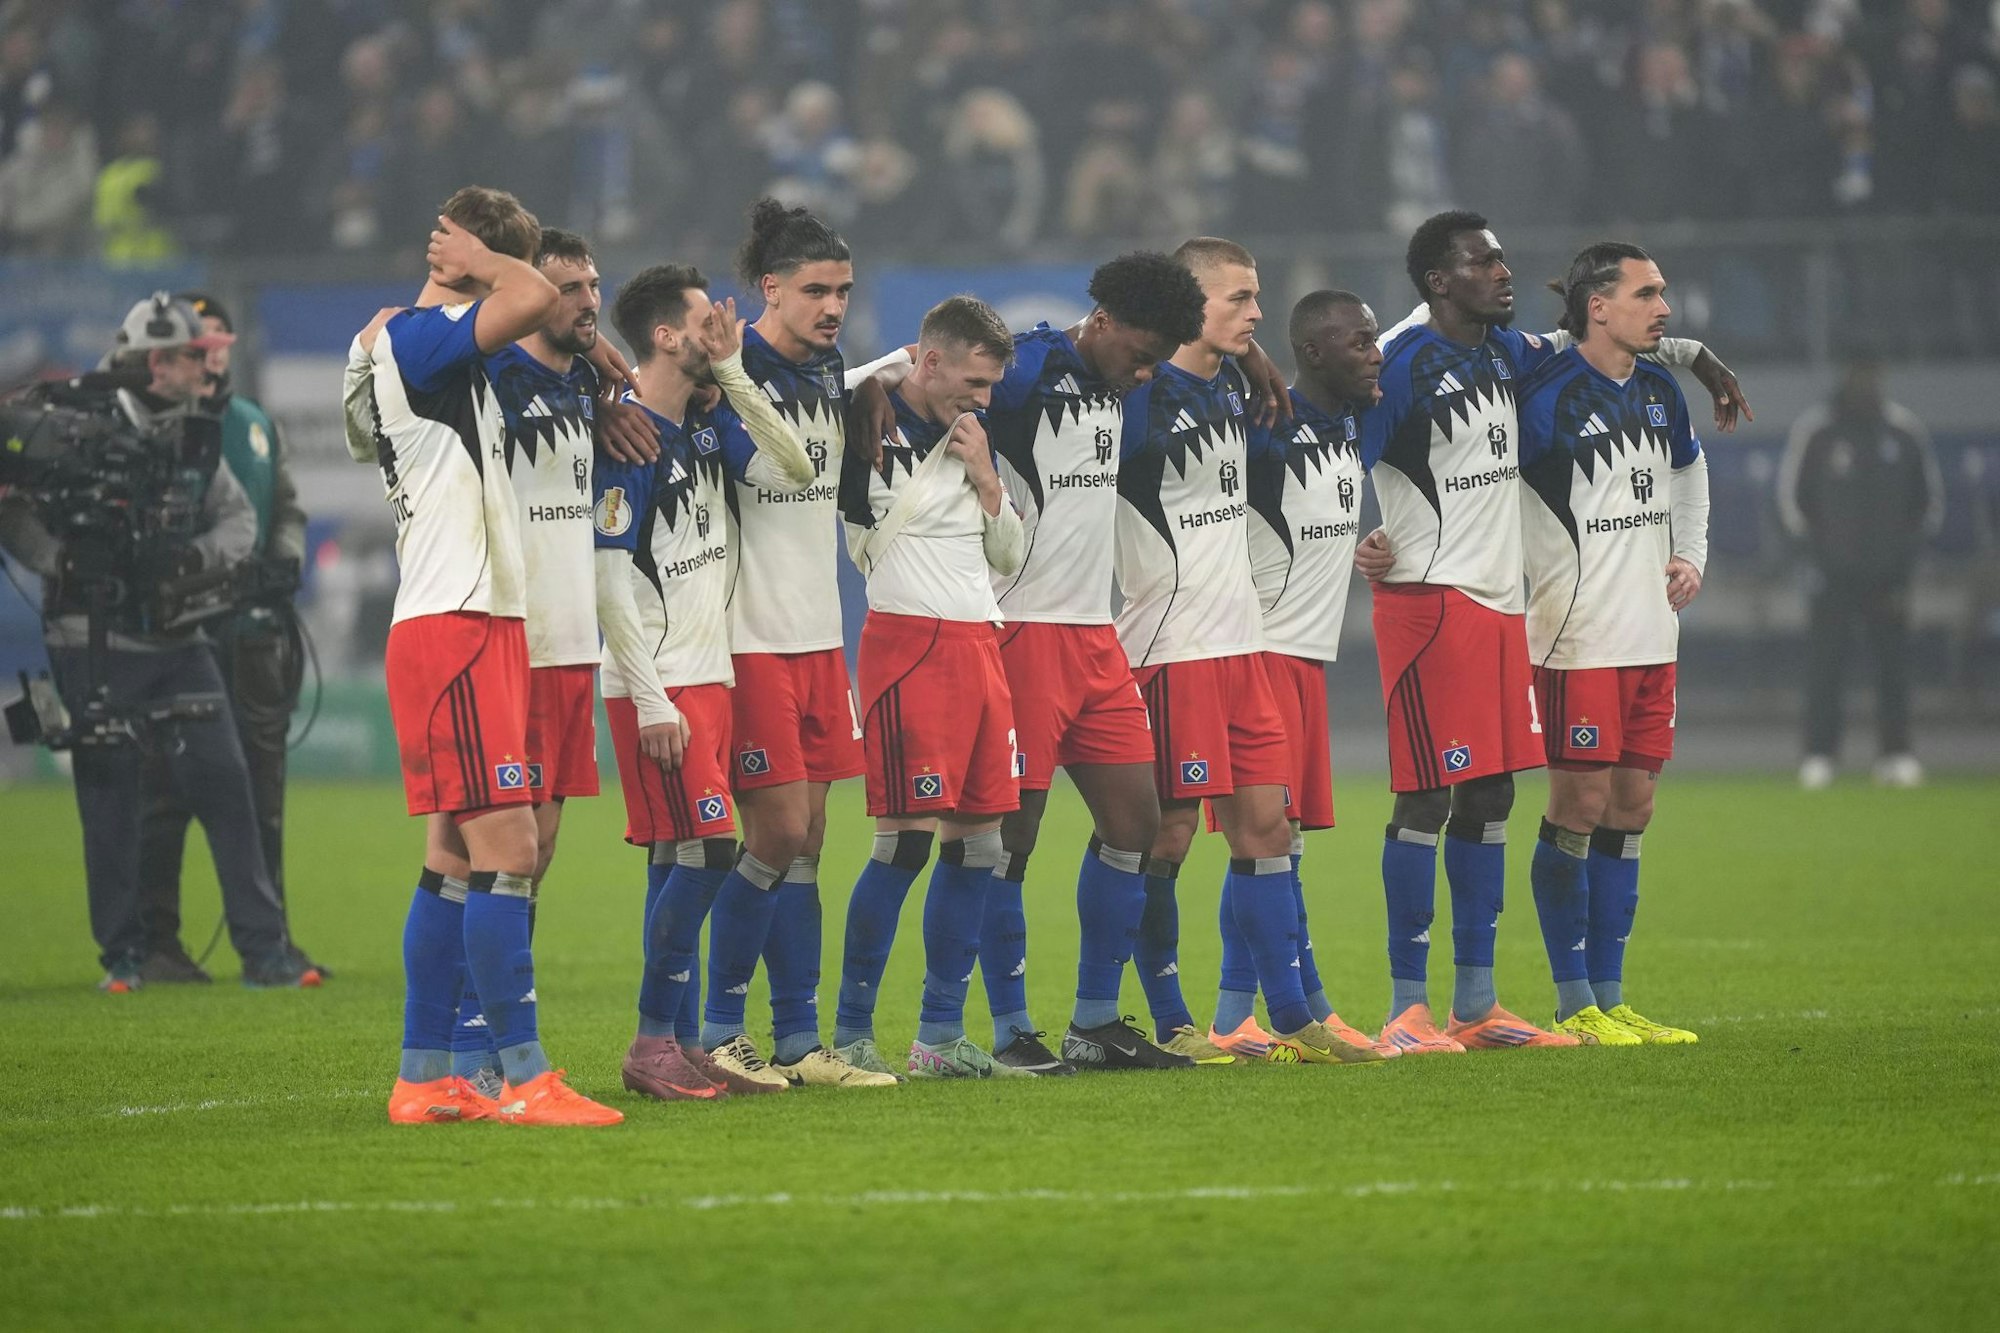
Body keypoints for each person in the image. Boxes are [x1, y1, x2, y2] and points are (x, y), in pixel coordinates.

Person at [1357, 210, 1744, 1054]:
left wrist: (1696, 356)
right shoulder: (1402, 361)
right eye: (1483, 261)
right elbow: (1334, 424)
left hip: (1500, 605)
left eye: (1500, 257)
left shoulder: (1511, 355)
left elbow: (1593, 338)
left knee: (1491, 797)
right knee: (1425, 795)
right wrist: (1358, 533)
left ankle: (1478, 1003)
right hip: (1432, 602)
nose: (1504, 271)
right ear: (1438, 281)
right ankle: (1404, 1009)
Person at [349, 186, 620, 1126]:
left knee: (455, 858)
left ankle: (426, 1077)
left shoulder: (460, 354)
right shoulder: (421, 341)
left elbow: (550, 326)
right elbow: (534, 303)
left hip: (482, 617)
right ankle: (525, 1077)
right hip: (454, 619)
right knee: (509, 849)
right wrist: (485, 265)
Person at [596, 263, 894, 1097]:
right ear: (663, 335)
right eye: (704, 319)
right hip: (663, 680)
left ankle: (683, 1039)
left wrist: (728, 373)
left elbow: (800, 465)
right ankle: (664, 1036)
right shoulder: (623, 439)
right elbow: (608, 579)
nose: (721, 325)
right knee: (711, 849)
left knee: (690, 853)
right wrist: (650, 693)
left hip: (713, 671)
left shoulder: (696, 427)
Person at [0, 294, 314, 991]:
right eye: (182, 356)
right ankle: (125, 955)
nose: (196, 368)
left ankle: (265, 952)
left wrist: (186, 562)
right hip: (91, 636)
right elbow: (13, 505)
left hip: (176, 634)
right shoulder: (69, 421)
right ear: (148, 359)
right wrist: (59, 559)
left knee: (229, 784)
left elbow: (236, 519)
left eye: (198, 355)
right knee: (109, 800)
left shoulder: (196, 430)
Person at [1112, 237, 1363, 1067]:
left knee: (1267, 827)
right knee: (1172, 835)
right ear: (1188, 302)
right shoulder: (1135, 399)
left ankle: (1291, 1017)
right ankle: (1173, 1017)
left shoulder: (1236, 391)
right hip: (1171, 643)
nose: (1257, 315)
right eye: (1239, 299)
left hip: (1248, 643)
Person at [1517, 242, 1709, 1046]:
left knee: (1633, 807)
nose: (1664, 308)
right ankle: (1573, 1002)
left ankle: (1612, 994)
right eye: (1647, 292)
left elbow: (1690, 475)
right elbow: (1483, 485)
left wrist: (1691, 554)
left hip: (1650, 634)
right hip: (1576, 633)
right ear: (1598, 305)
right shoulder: (1546, 395)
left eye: (1663, 292)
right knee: (1579, 805)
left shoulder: (1662, 388)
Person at [833, 295, 1028, 1078]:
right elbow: (810, 392)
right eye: (972, 381)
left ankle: (939, 1036)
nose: (980, 399)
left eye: (991, 387)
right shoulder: (862, 422)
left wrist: (985, 474)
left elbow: (1008, 555)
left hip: (983, 644)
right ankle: (850, 1032)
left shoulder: (972, 438)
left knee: (981, 845)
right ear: (930, 359)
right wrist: (877, 377)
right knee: (905, 840)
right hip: (908, 647)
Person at [1205, 289, 1396, 1063]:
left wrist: (1374, 544)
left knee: (1276, 845)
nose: (1376, 353)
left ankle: (1237, 1016)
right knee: (1266, 839)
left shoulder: (1349, 420)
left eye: (1376, 339)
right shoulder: (1263, 430)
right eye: (1359, 343)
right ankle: (1293, 1008)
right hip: (1258, 652)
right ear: (1314, 353)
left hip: (1307, 657)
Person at [446, 227, 612, 1097]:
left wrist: (611, 373)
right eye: (569, 286)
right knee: (487, 854)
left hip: (569, 647)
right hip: (505, 638)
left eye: (593, 285)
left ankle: (486, 1040)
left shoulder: (585, 380)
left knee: (536, 852)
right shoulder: (493, 376)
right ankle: (473, 1048)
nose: (587, 299)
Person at [724, 200, 875, 1077]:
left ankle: (797, 1041)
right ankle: (716, 1027)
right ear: (768, 289)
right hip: (748, 638)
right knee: (776, 830)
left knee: (812, 837)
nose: (832, 307)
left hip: (819, 636)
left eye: (843, 291)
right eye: (815, 290)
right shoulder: (726, 371)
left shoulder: (833, 373)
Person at [134, 290, 317, 986]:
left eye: (217, 339)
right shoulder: (157, 426)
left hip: (253, 638)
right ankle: (156, 941)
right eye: (195, 339)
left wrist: (284, 558)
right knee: (164, 793)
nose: (208, 352)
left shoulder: (254, 424)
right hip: (178, 638)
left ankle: (270, 940)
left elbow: (290, 506)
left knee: (263, 796)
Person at [1778, 360, 1943, 789]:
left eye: (1872, 374)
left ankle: (1896, 754)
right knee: (1826, 667)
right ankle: (1820, 755)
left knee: (1893, 667)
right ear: (1845, 378)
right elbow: (1792, 503)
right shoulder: (1818, 431)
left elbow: (1927, 506)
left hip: (1888, 577)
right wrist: (1815, 558)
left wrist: (1903, 566)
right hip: (1831, 576)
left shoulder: (1904, 433)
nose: (1865, 382)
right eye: (1858, 374)